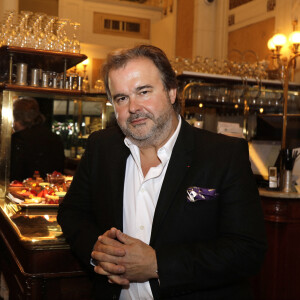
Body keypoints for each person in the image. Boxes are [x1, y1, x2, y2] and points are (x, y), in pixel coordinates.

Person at [57, 45, 267, 300]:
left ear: (171, 91)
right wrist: (99, 252)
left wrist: (158, 265)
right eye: (121, 98)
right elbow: (72, 212)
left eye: (143, 91)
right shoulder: (101, 147)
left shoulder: (223, 155)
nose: (133, 107)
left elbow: (247, 251)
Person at [10, 97, 65, 181]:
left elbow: (13, 172)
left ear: (16, 117)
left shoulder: (17, 139)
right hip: (51, 190)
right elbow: (60, 168)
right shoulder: (54, 137)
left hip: (22, 190)